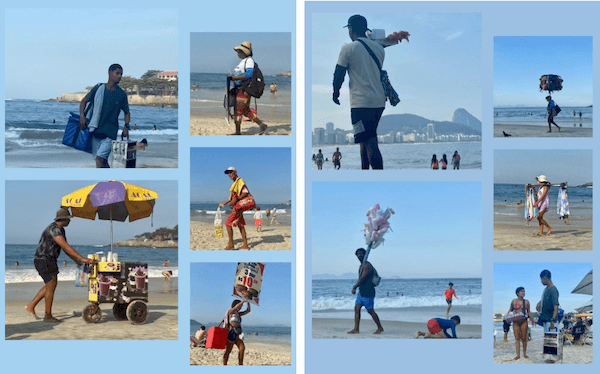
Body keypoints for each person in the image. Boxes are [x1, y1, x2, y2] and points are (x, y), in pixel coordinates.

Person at [333, 15, 386, 169]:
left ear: (350, 29)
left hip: (361, 103)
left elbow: (339, 74)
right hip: (379, 101)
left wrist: (335, 93)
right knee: (365, 140)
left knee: (370, 143)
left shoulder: (348, 48)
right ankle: (364, 171)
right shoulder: (379, 49)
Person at [25, 208, 94, 322]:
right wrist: (83, 258)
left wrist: (76, 260)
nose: (70, 221)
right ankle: (48, 316)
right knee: (51, 285)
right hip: (44, 259)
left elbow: (65, 248)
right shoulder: (54, 229)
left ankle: (31, 306)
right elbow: (66, 246)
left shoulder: (61, 230)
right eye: (69, 219)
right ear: (64, 219)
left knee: (50, 285)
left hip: (47, 260)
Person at [79, 64, 131, 168]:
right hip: (95, 131)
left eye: (121, 74)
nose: (119, 76)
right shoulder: (99, 88)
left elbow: (127, 112)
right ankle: (111, 179)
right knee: (102, 161)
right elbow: (84, 101)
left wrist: (126, 126)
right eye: (117, 73)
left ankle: (101, 182)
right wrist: (82, 117)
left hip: (110, 133)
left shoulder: (121, 94)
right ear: (109, 73)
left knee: (99, 158)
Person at [229, 41, 268, 135]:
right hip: (241, 89)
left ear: (243, 52)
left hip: (244, 90)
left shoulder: (249, 61)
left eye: (239, 51)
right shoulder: (244, 61)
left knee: (238, 110)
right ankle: (262, 125)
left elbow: (248, 75)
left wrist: (235, 77)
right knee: (245, 111)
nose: (237, 53)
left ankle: (237, 132)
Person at [347, 248, 384, 334]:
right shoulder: (361, 266)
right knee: (357, 308)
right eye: (358, 254)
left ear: (365, 254)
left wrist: (354, 287)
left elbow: (362, 278)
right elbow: (360, 277)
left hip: (368, 292)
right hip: (362, 292)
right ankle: (356, 329)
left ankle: (380, 327)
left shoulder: (367, 265)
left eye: (361, 253)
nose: (359, 255)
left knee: (370, 311)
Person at [219, 167, 255, 250]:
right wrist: (223, 203)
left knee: (228, 223)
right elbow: (230, 199)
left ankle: (231, 245)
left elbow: (245, 192)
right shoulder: (234, 184)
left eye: (231, 172)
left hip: (238, 207)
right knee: (241, 225)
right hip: (238, 207)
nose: (229, 174)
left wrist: (236, 199)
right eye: (228, 173)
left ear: (236, 172)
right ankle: (245, 245)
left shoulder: (240, 181)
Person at [223, 300, 251, 365]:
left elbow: (248, 310)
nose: (241, 307)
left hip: (238, 334)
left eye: (241, 306)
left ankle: (240, 364)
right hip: (230, 334)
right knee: (228, 351)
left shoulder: (239, 314)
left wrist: (249, 302)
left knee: (242, 348)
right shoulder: (230, 312)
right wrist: (243, 300)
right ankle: (224, 365)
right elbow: (235, 308)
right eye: (240, 306)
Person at [508, 287, 530, 360]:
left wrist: (533, 320)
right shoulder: (514, 301)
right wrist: (507, 318)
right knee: (517, 338)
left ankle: (524, 354)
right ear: (517, 293)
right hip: (516, 322)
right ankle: (518, 355)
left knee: (524, 338)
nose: (523, 293)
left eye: (524, 291)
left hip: (524, 321)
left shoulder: (526, 302)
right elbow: (510, 310)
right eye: (521, 291)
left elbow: (529, 312)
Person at [536, 269, 559, 334]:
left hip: (551, 321)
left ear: (545, 278)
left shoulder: (553, 290)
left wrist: (552, 320)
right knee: (547, 341)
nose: (541, 281)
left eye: (541, 279)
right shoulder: (546, 289)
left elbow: (556, 307)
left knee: (552, 342)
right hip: (546, 320)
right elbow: (546, 299)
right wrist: (539, 303)